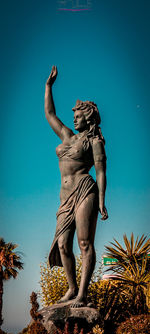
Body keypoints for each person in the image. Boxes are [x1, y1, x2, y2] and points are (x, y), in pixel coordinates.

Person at [45, 65, 108, 308]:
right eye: (74, 115)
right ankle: (71, 288)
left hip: (85, 191)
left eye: (78, 115)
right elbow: (50, 114)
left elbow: (101, 171)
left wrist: (101, 200)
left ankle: (82, 294)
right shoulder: (67, 136)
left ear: (88, 117)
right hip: (65, 197)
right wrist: (48, 86)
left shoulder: (94, 141)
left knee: (84, 243)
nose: (74, 118)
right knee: (62, 245)